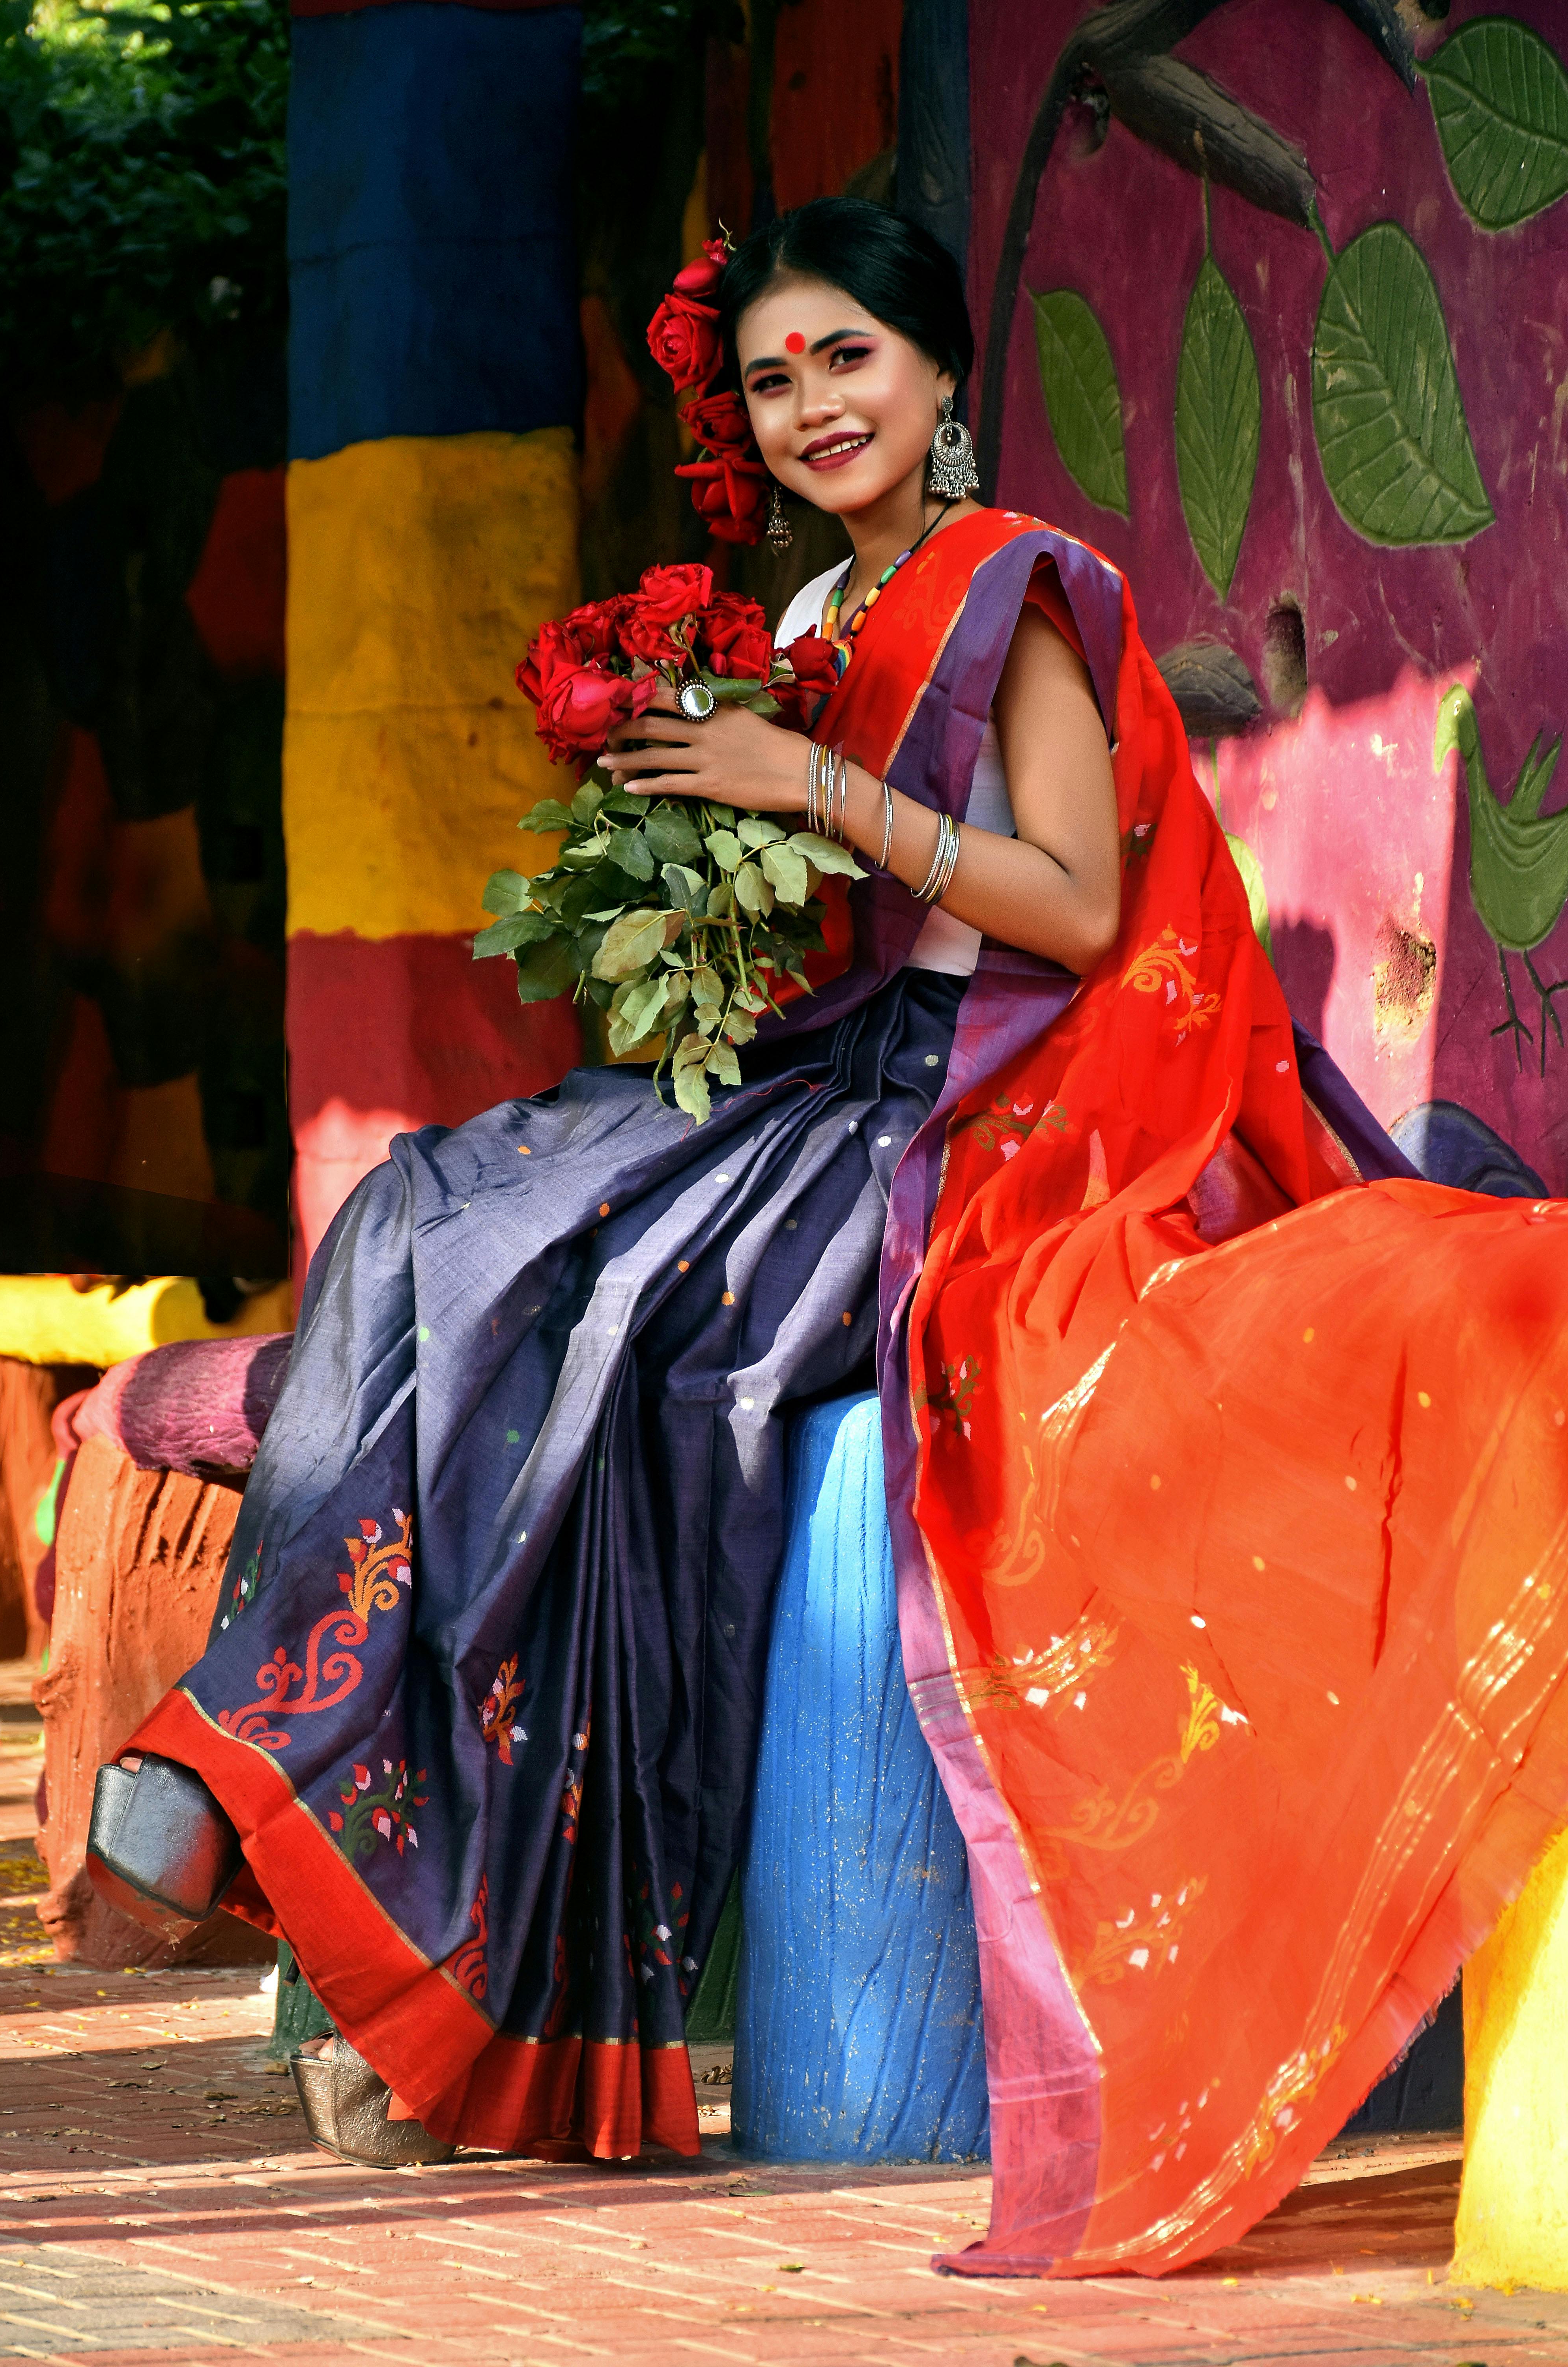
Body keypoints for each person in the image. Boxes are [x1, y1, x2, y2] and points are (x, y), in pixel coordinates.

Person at [93, 198, 1568, 2280]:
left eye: (848, 359)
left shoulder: (1018, 593)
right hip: (833, 1079)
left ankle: (306, 1816)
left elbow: (1061, 907)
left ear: (943, 373)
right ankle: (314, 1795)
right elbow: (800, 933)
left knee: (579, 1303)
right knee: (444, 1206)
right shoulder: (800, 630)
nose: (810, 408)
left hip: (1001, 1124)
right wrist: (694, 862)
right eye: (774, 379)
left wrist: (810, 784)